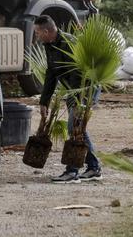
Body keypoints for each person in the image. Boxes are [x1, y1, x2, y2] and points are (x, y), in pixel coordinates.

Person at [35, 15, 102, 184]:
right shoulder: (48, 45)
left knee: (74, 127)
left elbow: (77, 74)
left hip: (85, 88)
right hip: (74, 89)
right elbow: (51, 74)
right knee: (78, 128)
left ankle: (72, 172)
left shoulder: (69, 42)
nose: (37, 36)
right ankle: (93, 168)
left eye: (37, 32)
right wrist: (44, 101)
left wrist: (75, 99)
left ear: (46, 31)